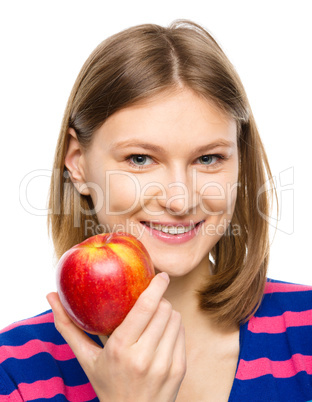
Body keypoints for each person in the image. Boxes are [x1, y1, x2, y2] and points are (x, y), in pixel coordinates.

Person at [1, 19, 312, 402]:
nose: (180, 201)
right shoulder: (13, 372)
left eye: (209, 158)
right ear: (78, 163)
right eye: (140, 159)